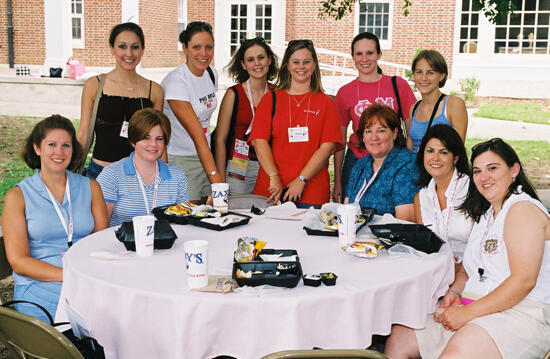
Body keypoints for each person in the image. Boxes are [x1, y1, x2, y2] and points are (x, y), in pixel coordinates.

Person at [385, 138, 550, 359]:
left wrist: (467, 314)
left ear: (514, 170)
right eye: (478, 171)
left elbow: (524, 281)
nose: (484, 177)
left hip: (521, 313)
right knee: (399, 338)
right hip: (477, 302)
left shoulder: (522, 209)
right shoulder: (487, 213)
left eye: (493, 168)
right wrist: (455, 292)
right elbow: (467, 270)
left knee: (456, 354)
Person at [1, 115, 108, 322]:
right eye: (52, 144)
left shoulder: (91, 187)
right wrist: (70, 275)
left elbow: (100, 243)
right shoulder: (18, 196)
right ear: (37, 148)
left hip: (86, 277)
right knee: (90, 319)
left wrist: (87, 276)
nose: (59, 152)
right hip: (40, 284)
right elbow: (19, 262)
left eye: (66, 145)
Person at [248, 39, 343, 208]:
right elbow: (258, 140)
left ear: (314, 65)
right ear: (287, 65)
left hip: (311, 191)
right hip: (272, 189)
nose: (301, 67)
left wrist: (301, 180)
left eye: (307, 62)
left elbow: (327, 147)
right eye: (296, 62)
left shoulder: (326, 103)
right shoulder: (271, 99)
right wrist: (274, 176)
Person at [333, 32, 417, 203]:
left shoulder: (397, 85)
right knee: (352, 212)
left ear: (379, 54)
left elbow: (412, 132)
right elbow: (339, 140)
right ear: (353, 56)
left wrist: (408, 165)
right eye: (359, 54)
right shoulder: (344, 92)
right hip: (357, 159)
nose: (364, 59)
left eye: (370, 53)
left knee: (391, 210)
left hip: (392, 157)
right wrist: (338, 181)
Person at [77, 22, 164, 179]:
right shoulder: (94, 85)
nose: (129, 53)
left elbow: (158, 141)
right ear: (112, 48)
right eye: (122, 46)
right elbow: (83, 134)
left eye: (135, 47)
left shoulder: (154, 91)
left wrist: (164, 178)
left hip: (140, 177)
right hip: (100, 175)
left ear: (143, 49)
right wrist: (71, 173)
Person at [97, 108, 190, 227]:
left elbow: (183, 223)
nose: (153, 144)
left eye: (159, 138)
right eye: (146, 137)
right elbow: (100, 229)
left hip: (166, 244)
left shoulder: (177, 176)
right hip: (122, 244)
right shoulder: (111, 175)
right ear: (133, 141)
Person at [162, 21, 221, 203]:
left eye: (208, 47)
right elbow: (197, 136)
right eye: (196, 47)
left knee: (204, 214)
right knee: (189, 217)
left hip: (204, 155)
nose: (203, 54)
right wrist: (216, 179)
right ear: (185, 48)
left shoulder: (211, 73)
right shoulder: (176, 83)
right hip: (181, 160)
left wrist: (211, 168)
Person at [214, 37, 278, 194]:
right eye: (250, 59)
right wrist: (221, 179)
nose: (257, 63)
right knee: (238, 213)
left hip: (269, 167)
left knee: (266, 215)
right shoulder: (233, 94)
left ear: (269, 60)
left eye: (261, 57)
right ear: (243, 64)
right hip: (238, 166)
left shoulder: (278, 93)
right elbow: (220, 140)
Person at [344, 103, 418, 221]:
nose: (374, 137)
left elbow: (405, 221)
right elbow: (346, 207)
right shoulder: (360, 165)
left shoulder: (408, 165)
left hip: (389, 237)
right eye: (368, 131)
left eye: (381, 131)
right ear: (362, 136)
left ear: (394, 133)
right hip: (356, 234)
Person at [414, 124, 472, 269]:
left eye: (443, 152)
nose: (435, 158)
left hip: (472, 271)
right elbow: (425, 246)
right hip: (436, 270)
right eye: (430, 151)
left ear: (455, 158)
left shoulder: (473, 190)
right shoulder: (421, 198)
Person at [408, 50, 468, 152]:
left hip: (439, 166)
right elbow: (409, 148)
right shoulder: (414, 108)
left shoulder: (453, 104)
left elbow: (457, 149)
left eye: (430, 73)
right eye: (419, 72)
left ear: (441, 76)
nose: (423, 78)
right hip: (414, 167)